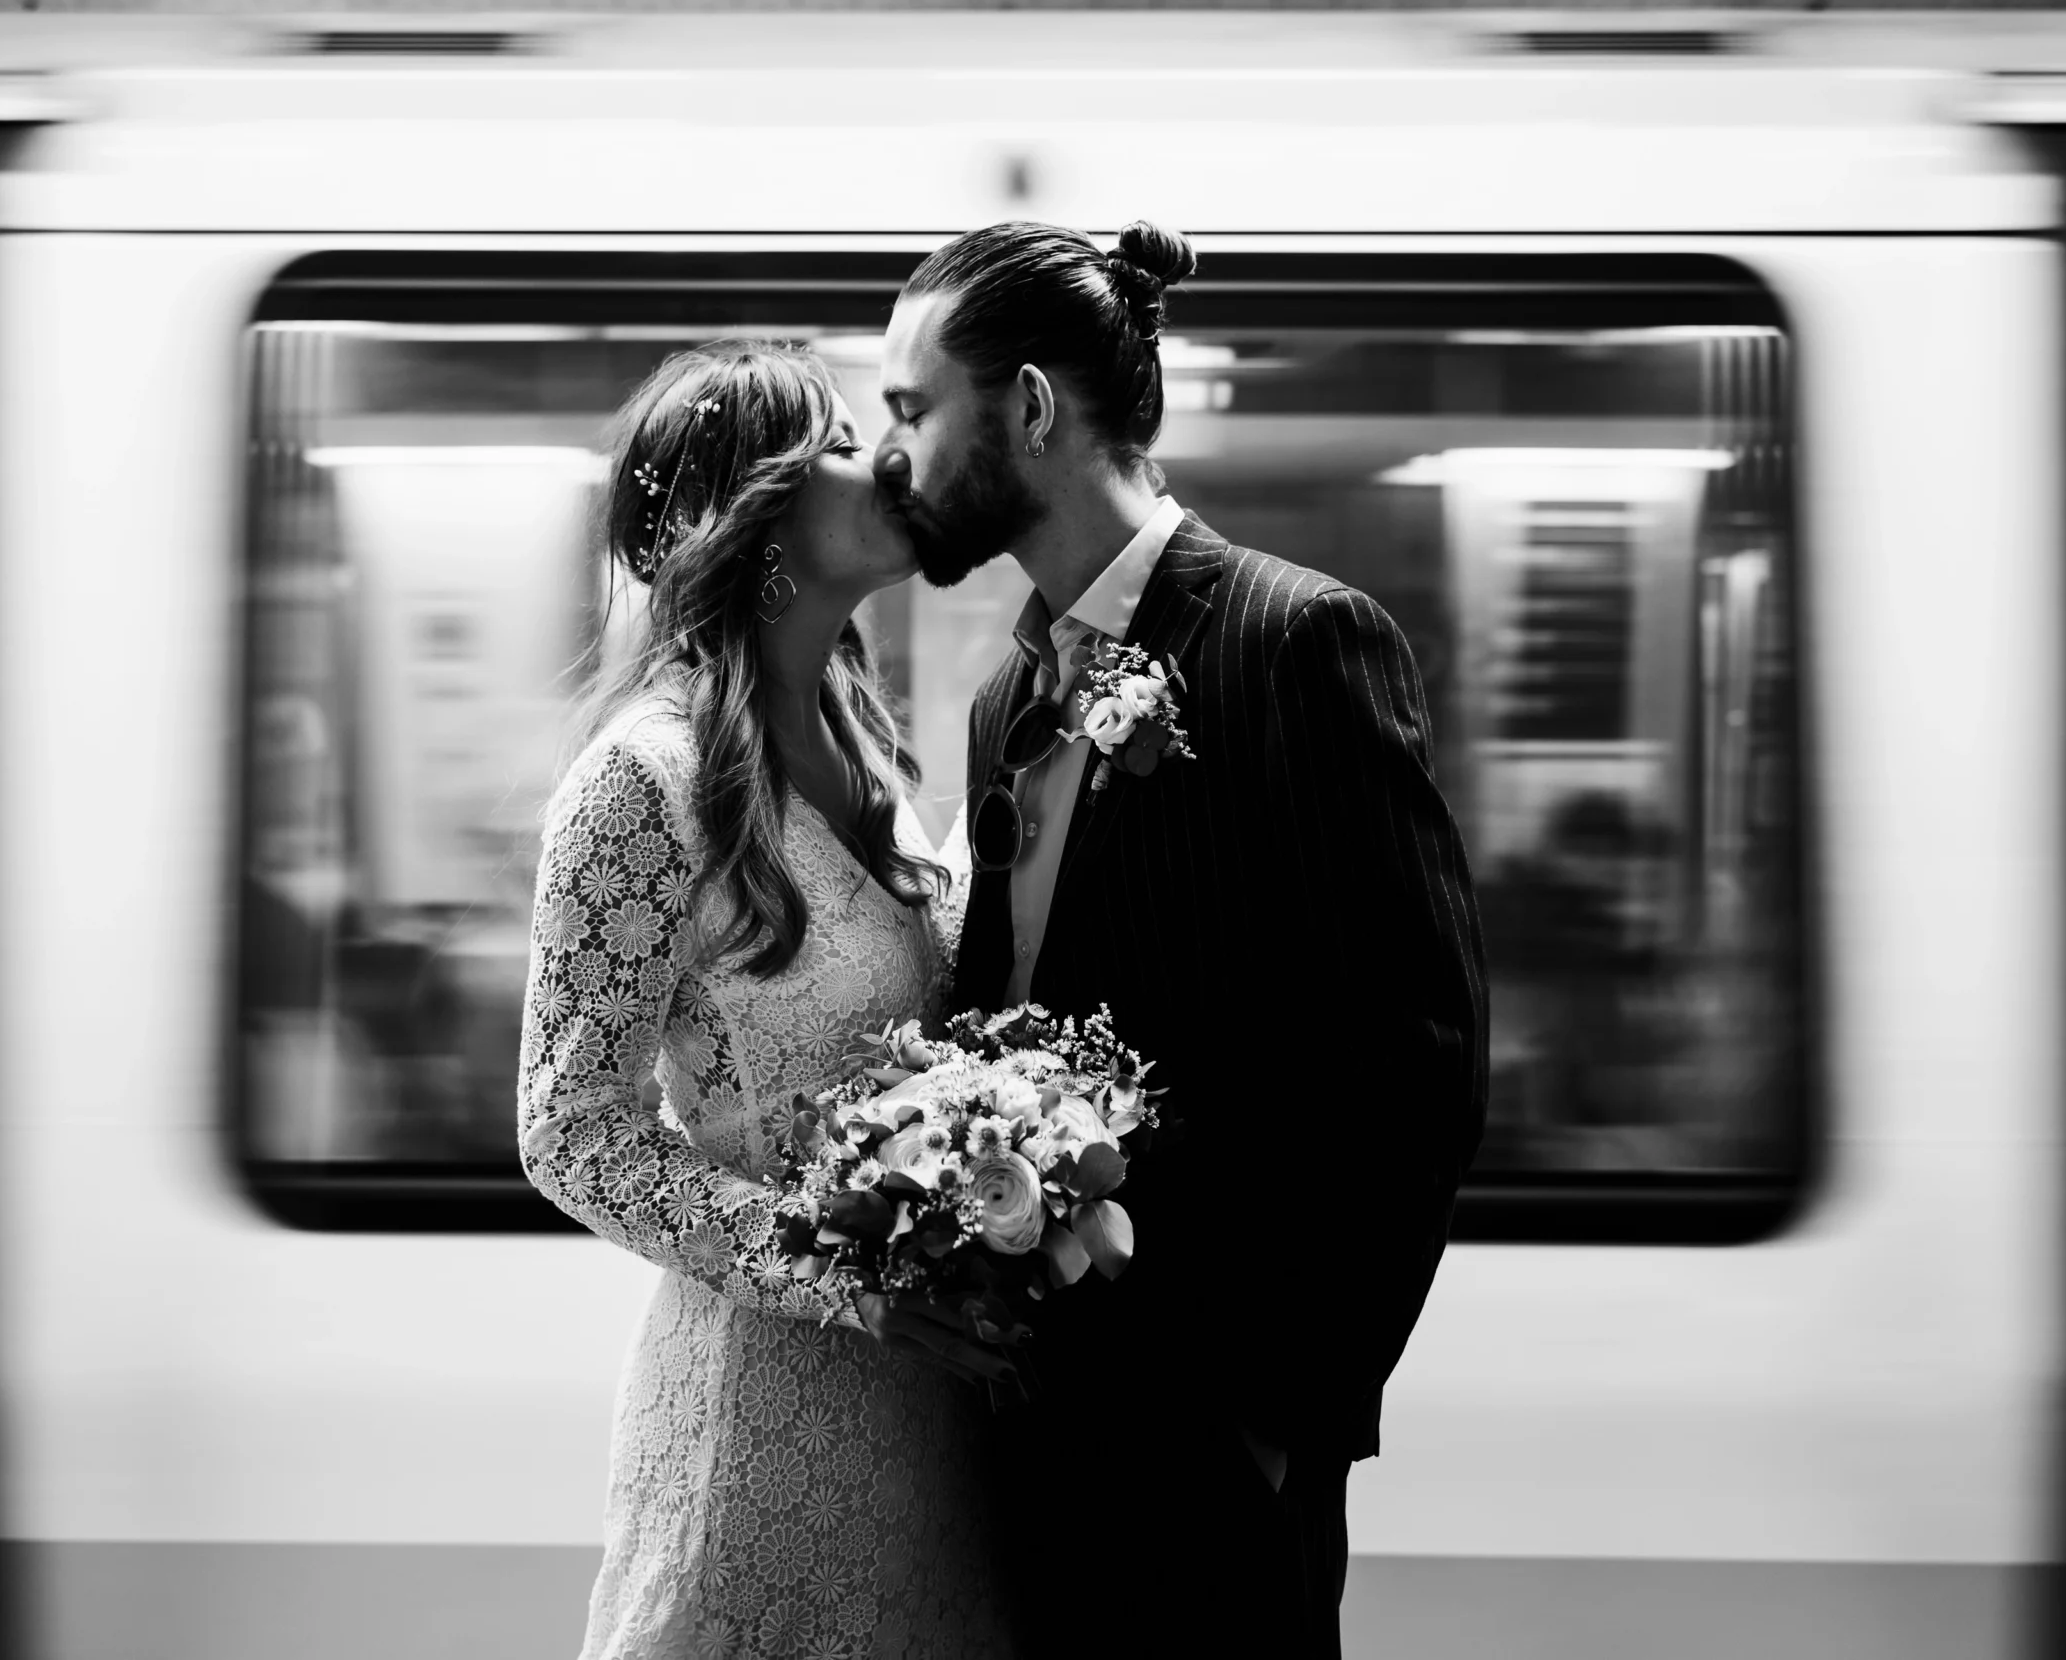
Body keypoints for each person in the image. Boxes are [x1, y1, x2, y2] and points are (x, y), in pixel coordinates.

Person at [871, 221, 1491, 1660]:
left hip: (1219, 1443)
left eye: (912, 408)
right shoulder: (1003, 695)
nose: (890, 455)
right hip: (1033, 1429)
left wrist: (1280, 1414)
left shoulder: (1298, 642)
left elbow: (1421, 1056)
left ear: (1028, 407)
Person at [516, 341, 1015, 1659]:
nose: (890, 462)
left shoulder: (863, 745)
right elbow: (573, 1130)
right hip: (760, 1421)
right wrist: (840, 1271)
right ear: (764, 521)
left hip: (932, 1416)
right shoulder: (643, 781)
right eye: (848, 445)